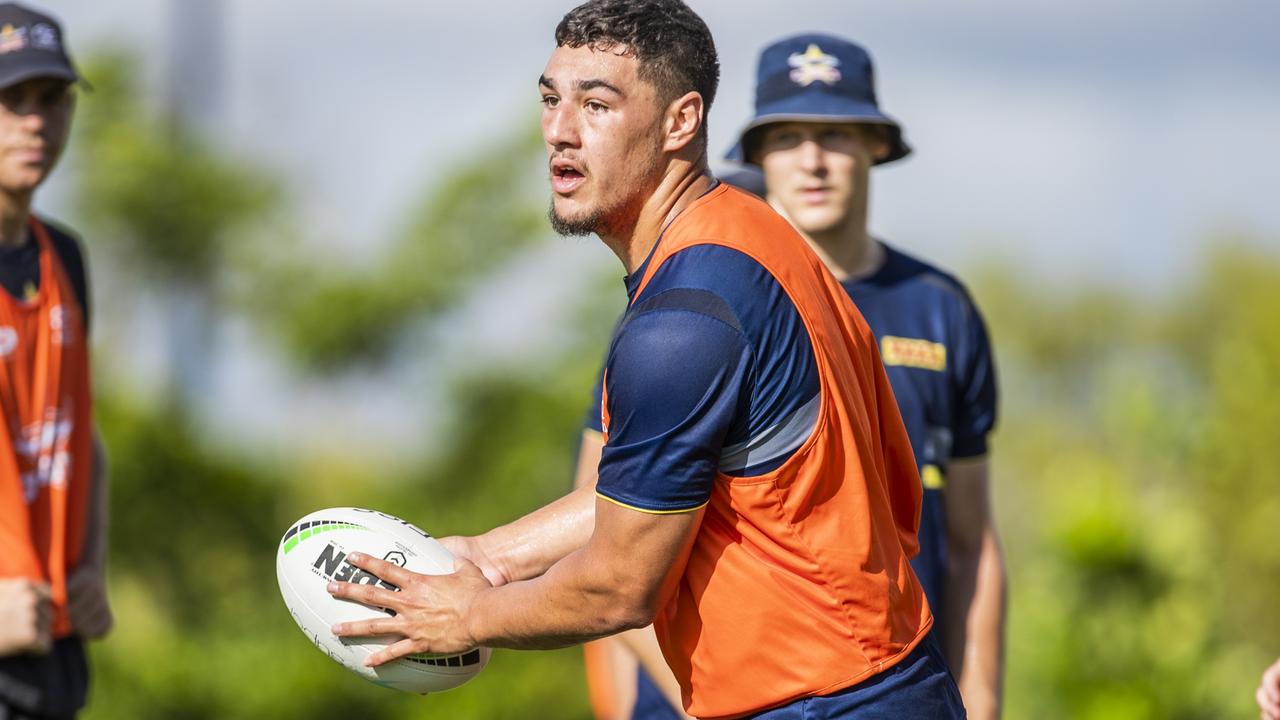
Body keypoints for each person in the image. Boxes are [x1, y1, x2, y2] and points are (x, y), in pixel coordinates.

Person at [329, 2, 963, 717]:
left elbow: (618, 587)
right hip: (879, 684)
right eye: (550, 98)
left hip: (826, 702)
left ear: (681, 121)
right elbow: (648, 494)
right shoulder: (752, 238)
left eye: (597, 103)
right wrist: (490, 557)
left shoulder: (685, 319)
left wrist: (469, 616)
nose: (560, 132)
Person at [586, 33, 1009, 719]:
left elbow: (971, 542)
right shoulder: (690, 305)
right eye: (787, 137)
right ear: (755, 156)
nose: (812, 161)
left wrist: (981, 698)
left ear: (876, 147)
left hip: (880, 686)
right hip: (709, 696)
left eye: (836, 134)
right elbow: (606, 534)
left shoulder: (941, 309)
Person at [0, 4, 113, 719]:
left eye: (52, 99)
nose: (36, 122)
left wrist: (92, 567)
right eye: (11, 101)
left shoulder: (63, 256)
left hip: (55, 654)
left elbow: (82, 440)